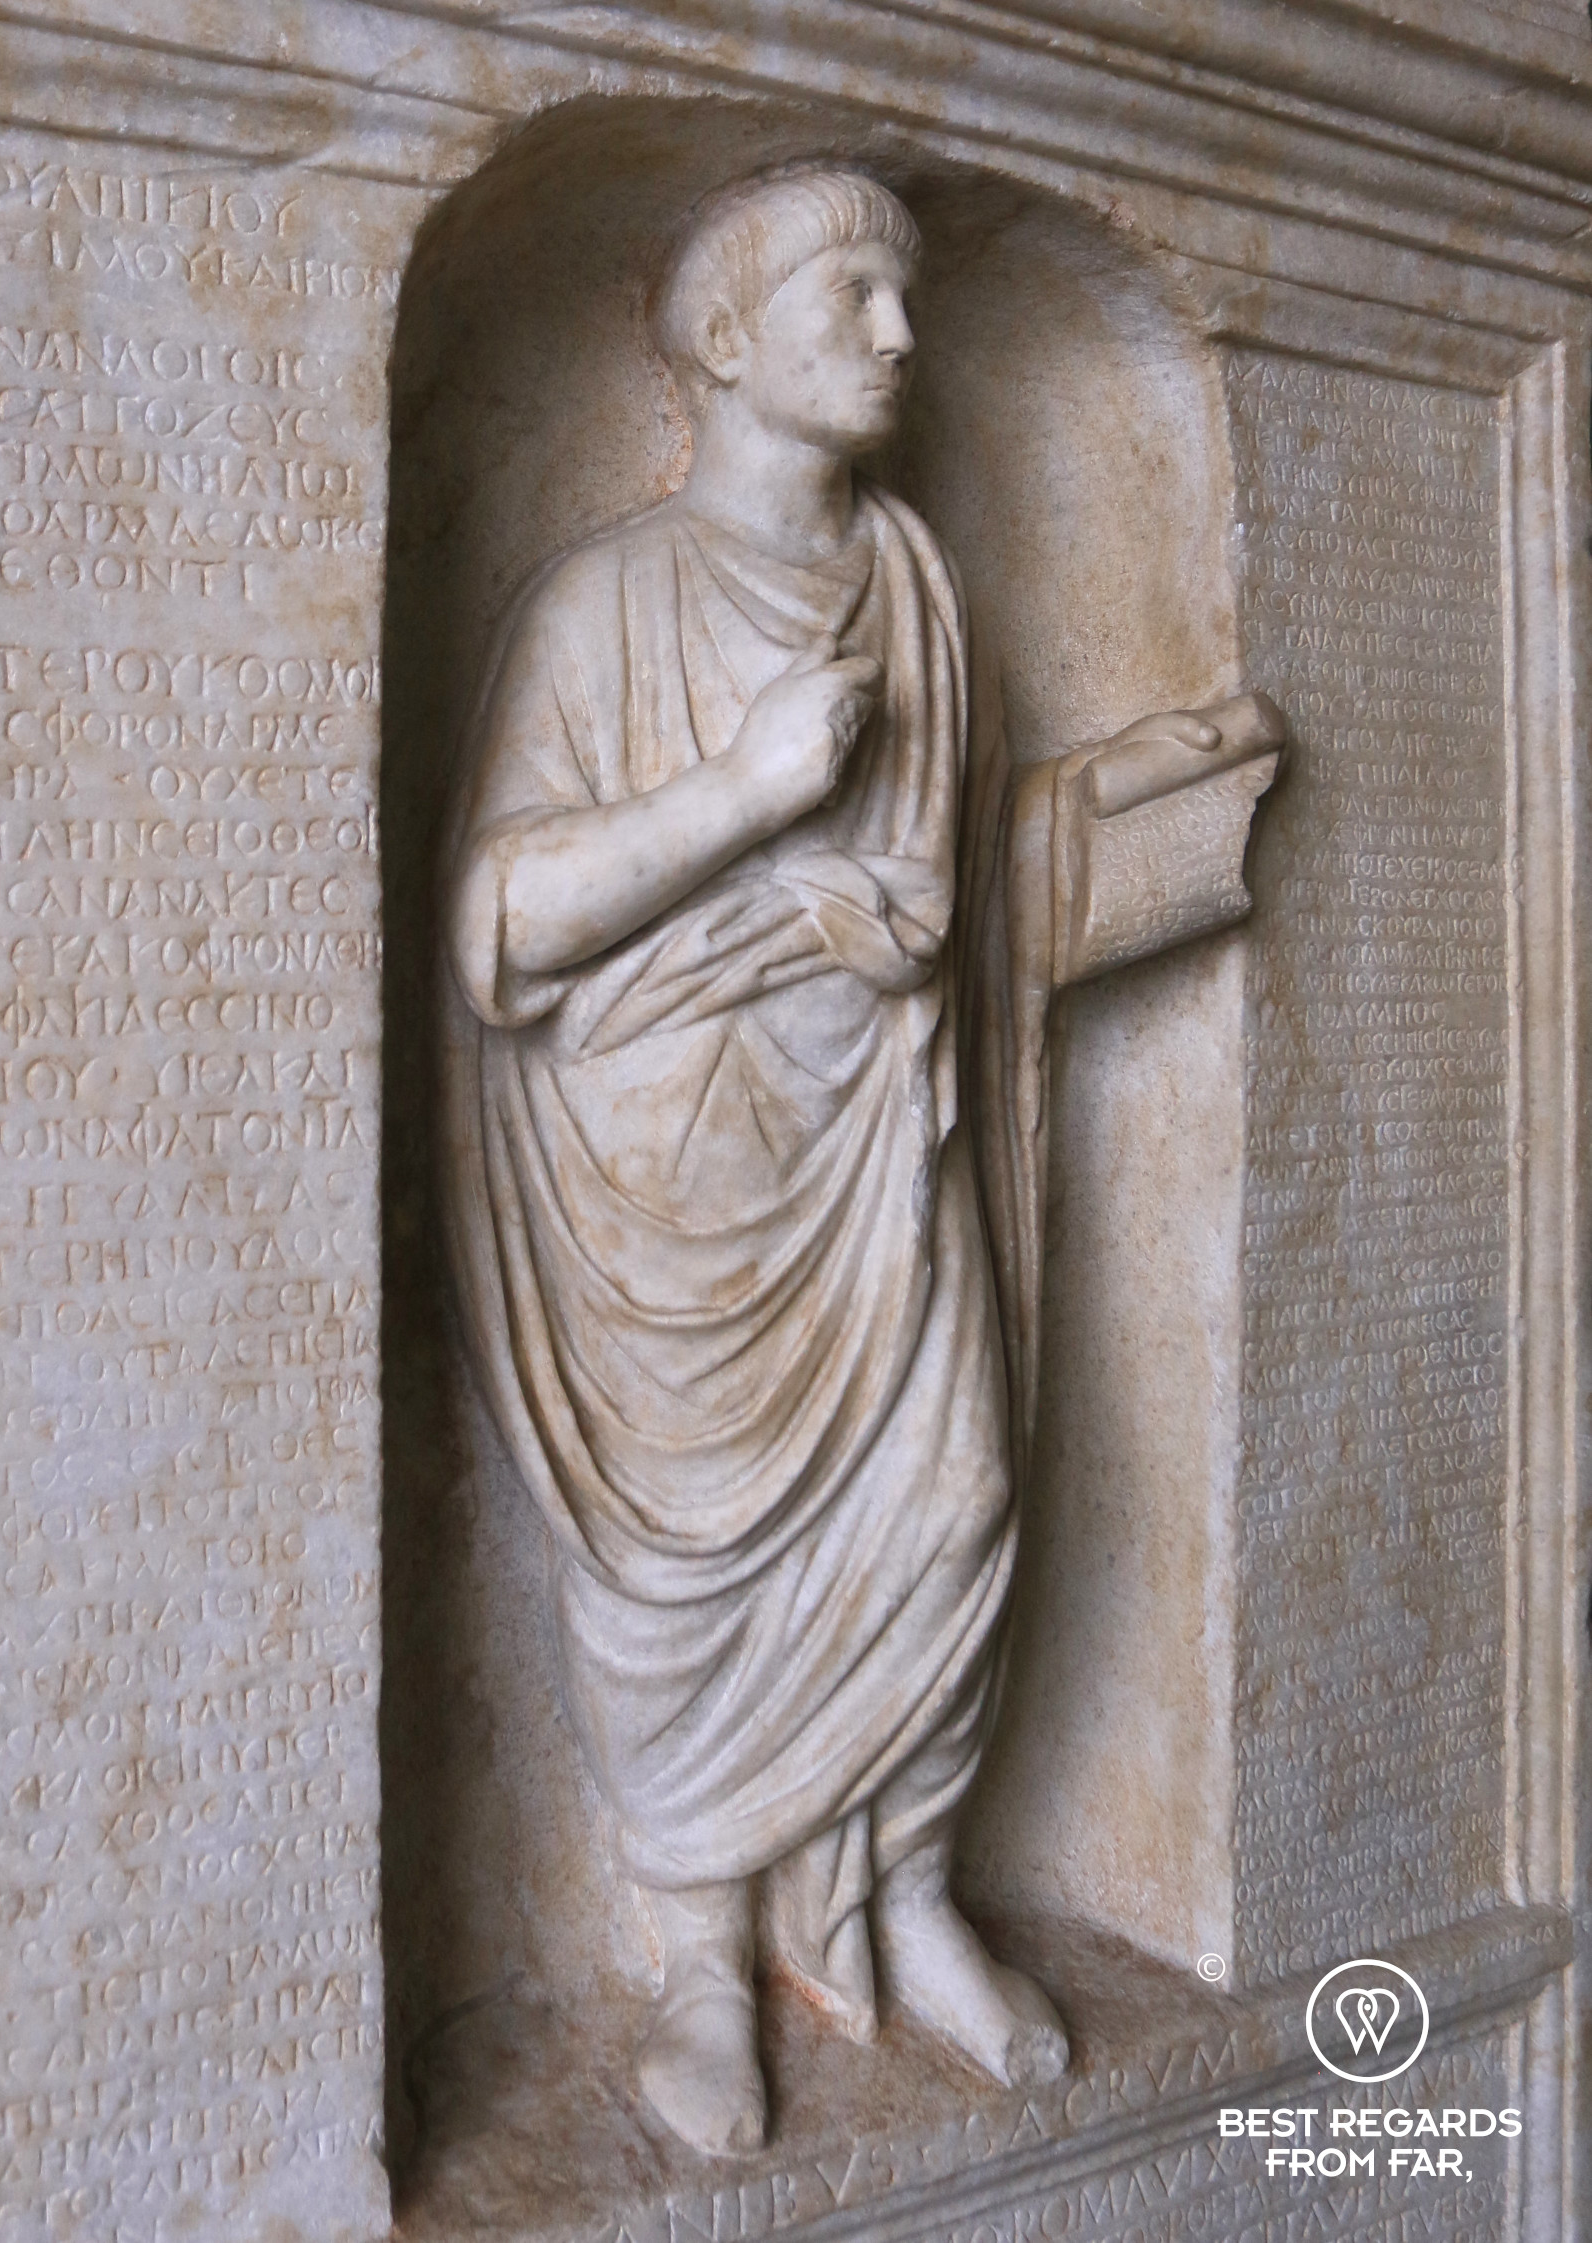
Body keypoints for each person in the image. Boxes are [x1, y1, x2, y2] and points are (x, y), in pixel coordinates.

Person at [442, 162, 1239, 2154]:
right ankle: (705, 1957)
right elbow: (499, 926)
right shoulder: (601, 602)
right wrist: (737, 792)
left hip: (880, 1139)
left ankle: (899, 1894)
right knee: (684, 1561)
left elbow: (938, 876)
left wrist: (1086, 847)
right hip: (663, 1185)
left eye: (906, 297)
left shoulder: (916, 579)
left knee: (960, 1493)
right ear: (723, 341)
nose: (902, 332)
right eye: (852, 294)